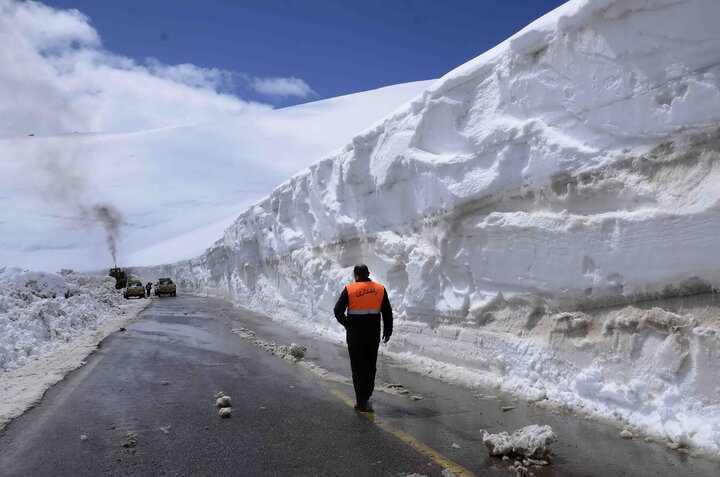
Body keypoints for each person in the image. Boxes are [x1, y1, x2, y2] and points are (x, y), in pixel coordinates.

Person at [334, 264, 392, 412]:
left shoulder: (350, 289)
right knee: (370, 365)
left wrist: (347, 324)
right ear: (368, 274)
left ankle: (361, 401)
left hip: (355, 336)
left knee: (358, 367)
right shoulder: (379, 289)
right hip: (373, 335)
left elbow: (337, 310)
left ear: (355, 275)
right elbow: (387, 312)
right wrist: (388, 330)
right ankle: (367, 394)